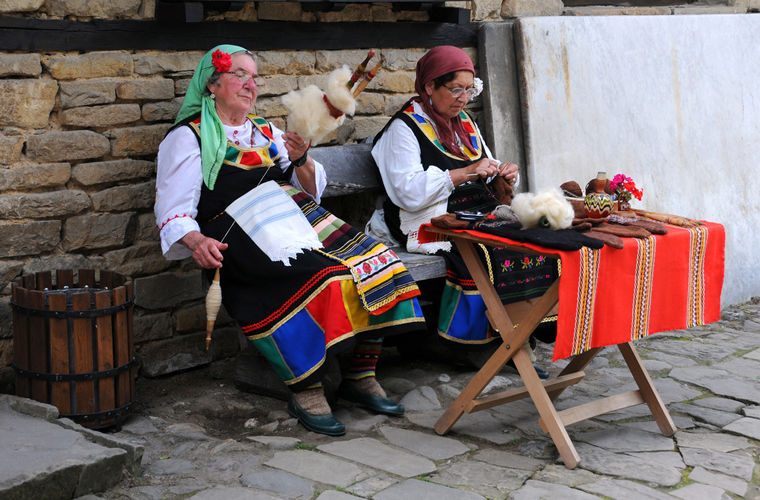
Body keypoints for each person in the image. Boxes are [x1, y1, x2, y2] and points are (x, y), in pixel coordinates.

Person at [155, 45, 426, 436]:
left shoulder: (265, 130)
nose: (251, 85)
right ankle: (307, 387)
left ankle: (361, 374)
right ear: (211, 85)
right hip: (239, 231)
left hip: (294, 218)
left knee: (378, 259)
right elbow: (173, 209)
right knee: (324, 278)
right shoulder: (188, 137)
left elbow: (310, 190)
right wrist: (196, 240)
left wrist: (300, 160)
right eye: (240, 76)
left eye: (255, 77)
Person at [371, 45, 557, 377]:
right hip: (428, 218)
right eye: (455, 89)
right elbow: (408, 193)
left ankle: (519, 333)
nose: (463, 98)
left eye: (469, 90)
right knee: (486, 249)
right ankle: (473, 345)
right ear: (429, 86)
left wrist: (503, 170)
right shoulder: (404, 128)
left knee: (532, 237)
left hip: (473, 209)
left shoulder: (464, 122)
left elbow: (483, 163)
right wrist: (464, 173)